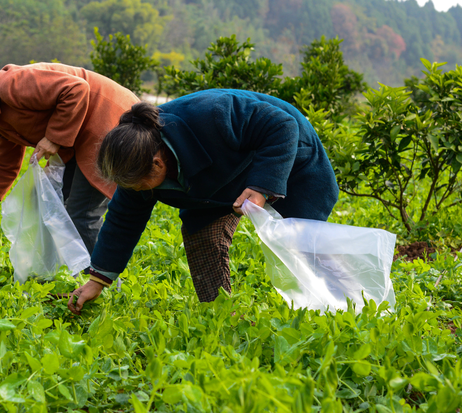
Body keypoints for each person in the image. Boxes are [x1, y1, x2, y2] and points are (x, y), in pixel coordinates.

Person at [67, 89, 340, 314]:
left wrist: (260, 187)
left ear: (158, 163)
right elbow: (122, 221)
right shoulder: (136, 166)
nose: (135, 191)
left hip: (288, 155)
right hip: (215, 182)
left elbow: (282, 125)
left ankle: (347, 299)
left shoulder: (213, 114)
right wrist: (98, 280)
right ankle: (222, 313)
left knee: (305, 241)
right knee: (201, 237)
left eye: (138, 185)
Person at [0, 59, 139, 253]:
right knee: (55, 206)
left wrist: (53, 137)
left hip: (110, 122)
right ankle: (72, 275)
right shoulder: (2, 120)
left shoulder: (11, 84)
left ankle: (103, 284)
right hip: (84, 138)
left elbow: (76, 89)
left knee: (81, 214)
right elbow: (6, 167)